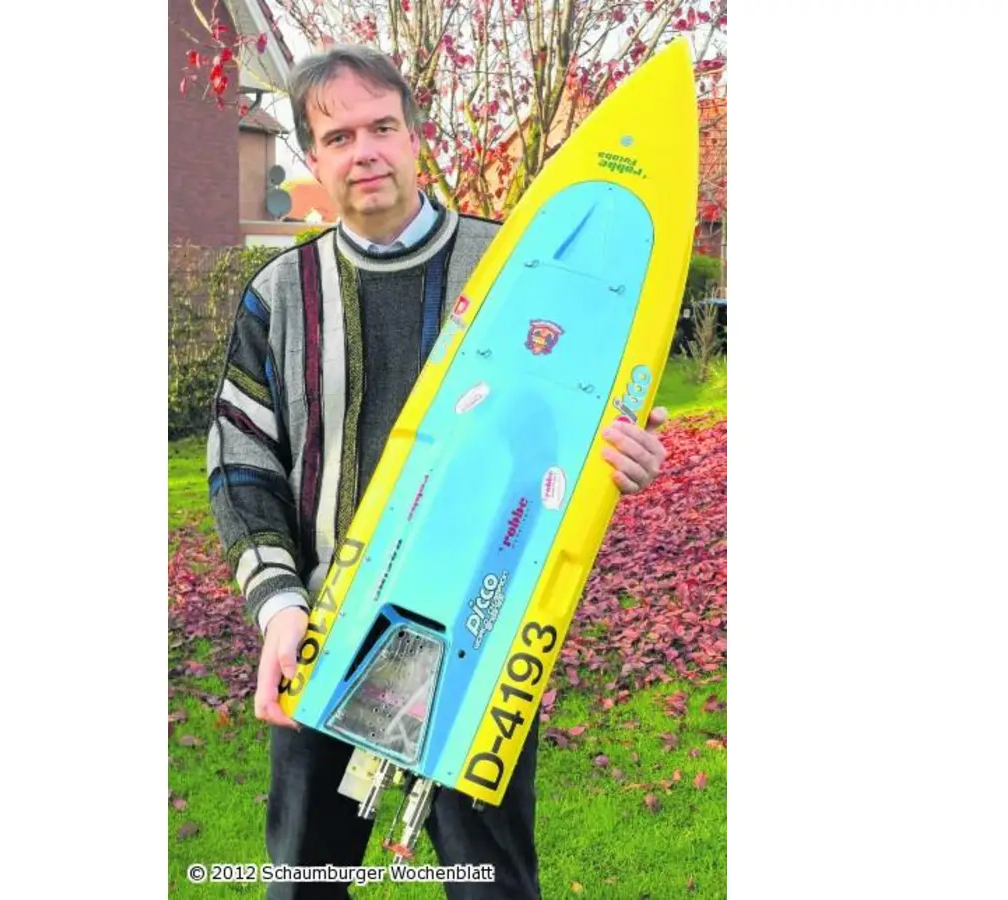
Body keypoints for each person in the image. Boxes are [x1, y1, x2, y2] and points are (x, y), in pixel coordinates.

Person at [207, 45, 670, 900]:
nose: (365, 151)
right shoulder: (281, 293)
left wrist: (630, 451)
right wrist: (278, 605)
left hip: (485, 630)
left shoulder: (517, 272)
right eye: (339, 136)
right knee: (302, 884)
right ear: (313, 158)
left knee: (488, 883)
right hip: (324, 629)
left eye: (383, 127)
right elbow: (240, 460)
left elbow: (594, 401)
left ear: (418, 139)